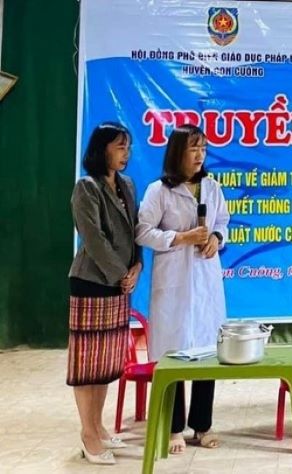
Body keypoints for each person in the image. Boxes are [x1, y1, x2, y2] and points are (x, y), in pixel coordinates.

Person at [136, 124, 229, 454]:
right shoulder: (159, 190)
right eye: (193, 148)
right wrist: (180, 238)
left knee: (207, 350)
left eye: (203, 148)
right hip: (173, 281)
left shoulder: (212, 187)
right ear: (178, 152)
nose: (200, 154)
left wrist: (216, 239)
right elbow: (143, 231)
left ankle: (202, 425)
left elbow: (222, 223)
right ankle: (174, 427)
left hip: (206, 279)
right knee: (173, 353)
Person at [67, 122, 142, 465]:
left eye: (128, 147)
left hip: (120, 283)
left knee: (106, 361)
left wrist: (136, 267)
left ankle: (99, 426)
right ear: (102, 150)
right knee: (87, 364)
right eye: (120, 147)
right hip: (92, 282)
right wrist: (119, 274)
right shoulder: (87, 187)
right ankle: (88, 434)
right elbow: (93, 238)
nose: (126, 153)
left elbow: (135, 232)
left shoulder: (127, 185)